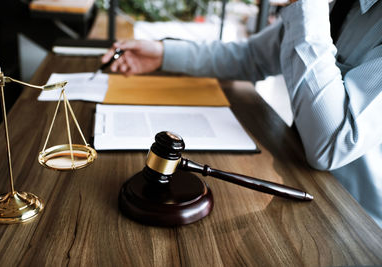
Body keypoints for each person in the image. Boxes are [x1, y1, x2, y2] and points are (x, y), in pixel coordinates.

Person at [102, 0, 382, 227]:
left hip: (354, 224)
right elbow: (252, 56)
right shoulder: (344, 5)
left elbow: (330, 144)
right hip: (293, 177)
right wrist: (163, 54)